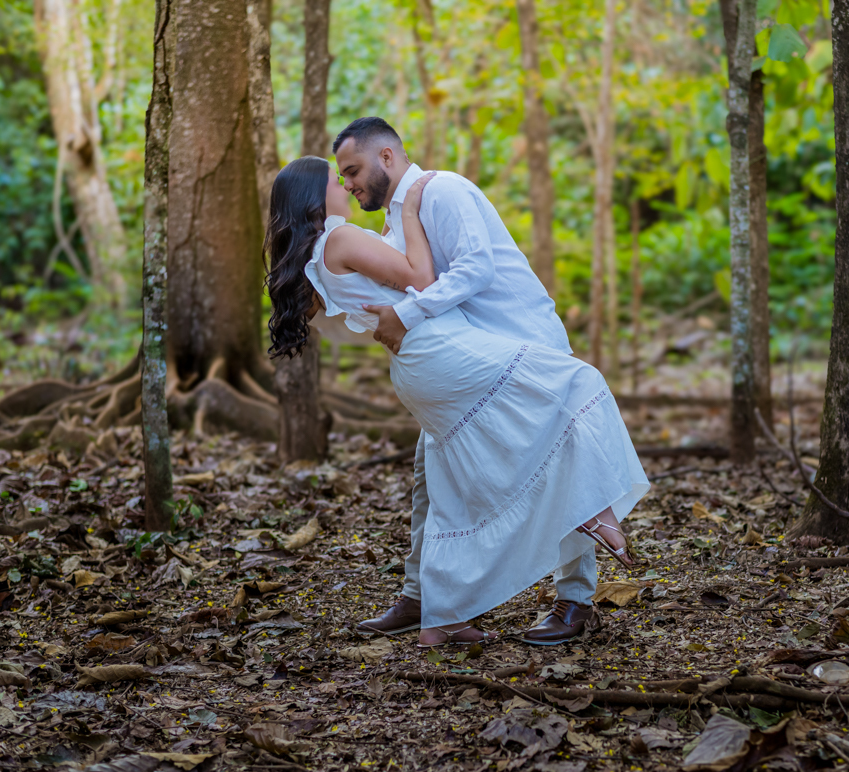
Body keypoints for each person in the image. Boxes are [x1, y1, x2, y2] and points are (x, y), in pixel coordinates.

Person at [263, 148, 649, 646]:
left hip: (449, 358)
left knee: (444, 487)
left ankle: (443, 612)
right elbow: (420, 279)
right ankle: (588, 516)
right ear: (315, 197)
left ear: (386, 156)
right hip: (445, 355)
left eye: (351, 172)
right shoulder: (345, 235)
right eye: (338, 178)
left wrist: (401, 242)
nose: (346, 184)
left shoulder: (425, 200)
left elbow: (453, 273)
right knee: (576, 389)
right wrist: (407, 218)